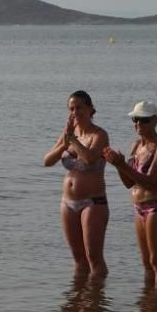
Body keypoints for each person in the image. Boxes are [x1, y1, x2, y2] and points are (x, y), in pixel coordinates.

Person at [103, 101, 157, 287]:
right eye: (135, 119)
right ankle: (149, 306)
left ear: (155, 120)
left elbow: (150, 182)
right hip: (138, 207)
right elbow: (128, 183)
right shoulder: (136, 145)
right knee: (147, 264)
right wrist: (117, 164)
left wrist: (121, 164)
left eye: (144, 120)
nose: (138, 125)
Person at [43, 90, 110, 278]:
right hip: (68, 202)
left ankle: (96, 302)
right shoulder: (67, 135)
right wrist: (64, 144)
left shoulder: (99, 135)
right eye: (71, 109)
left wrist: (72, 139)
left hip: (93, 202)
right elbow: (47, 161)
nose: (75, 112)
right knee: (78, 258)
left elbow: (89, 158)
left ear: (90, 109)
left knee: (93, 258)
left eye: (79, 107)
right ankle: (77, 301)